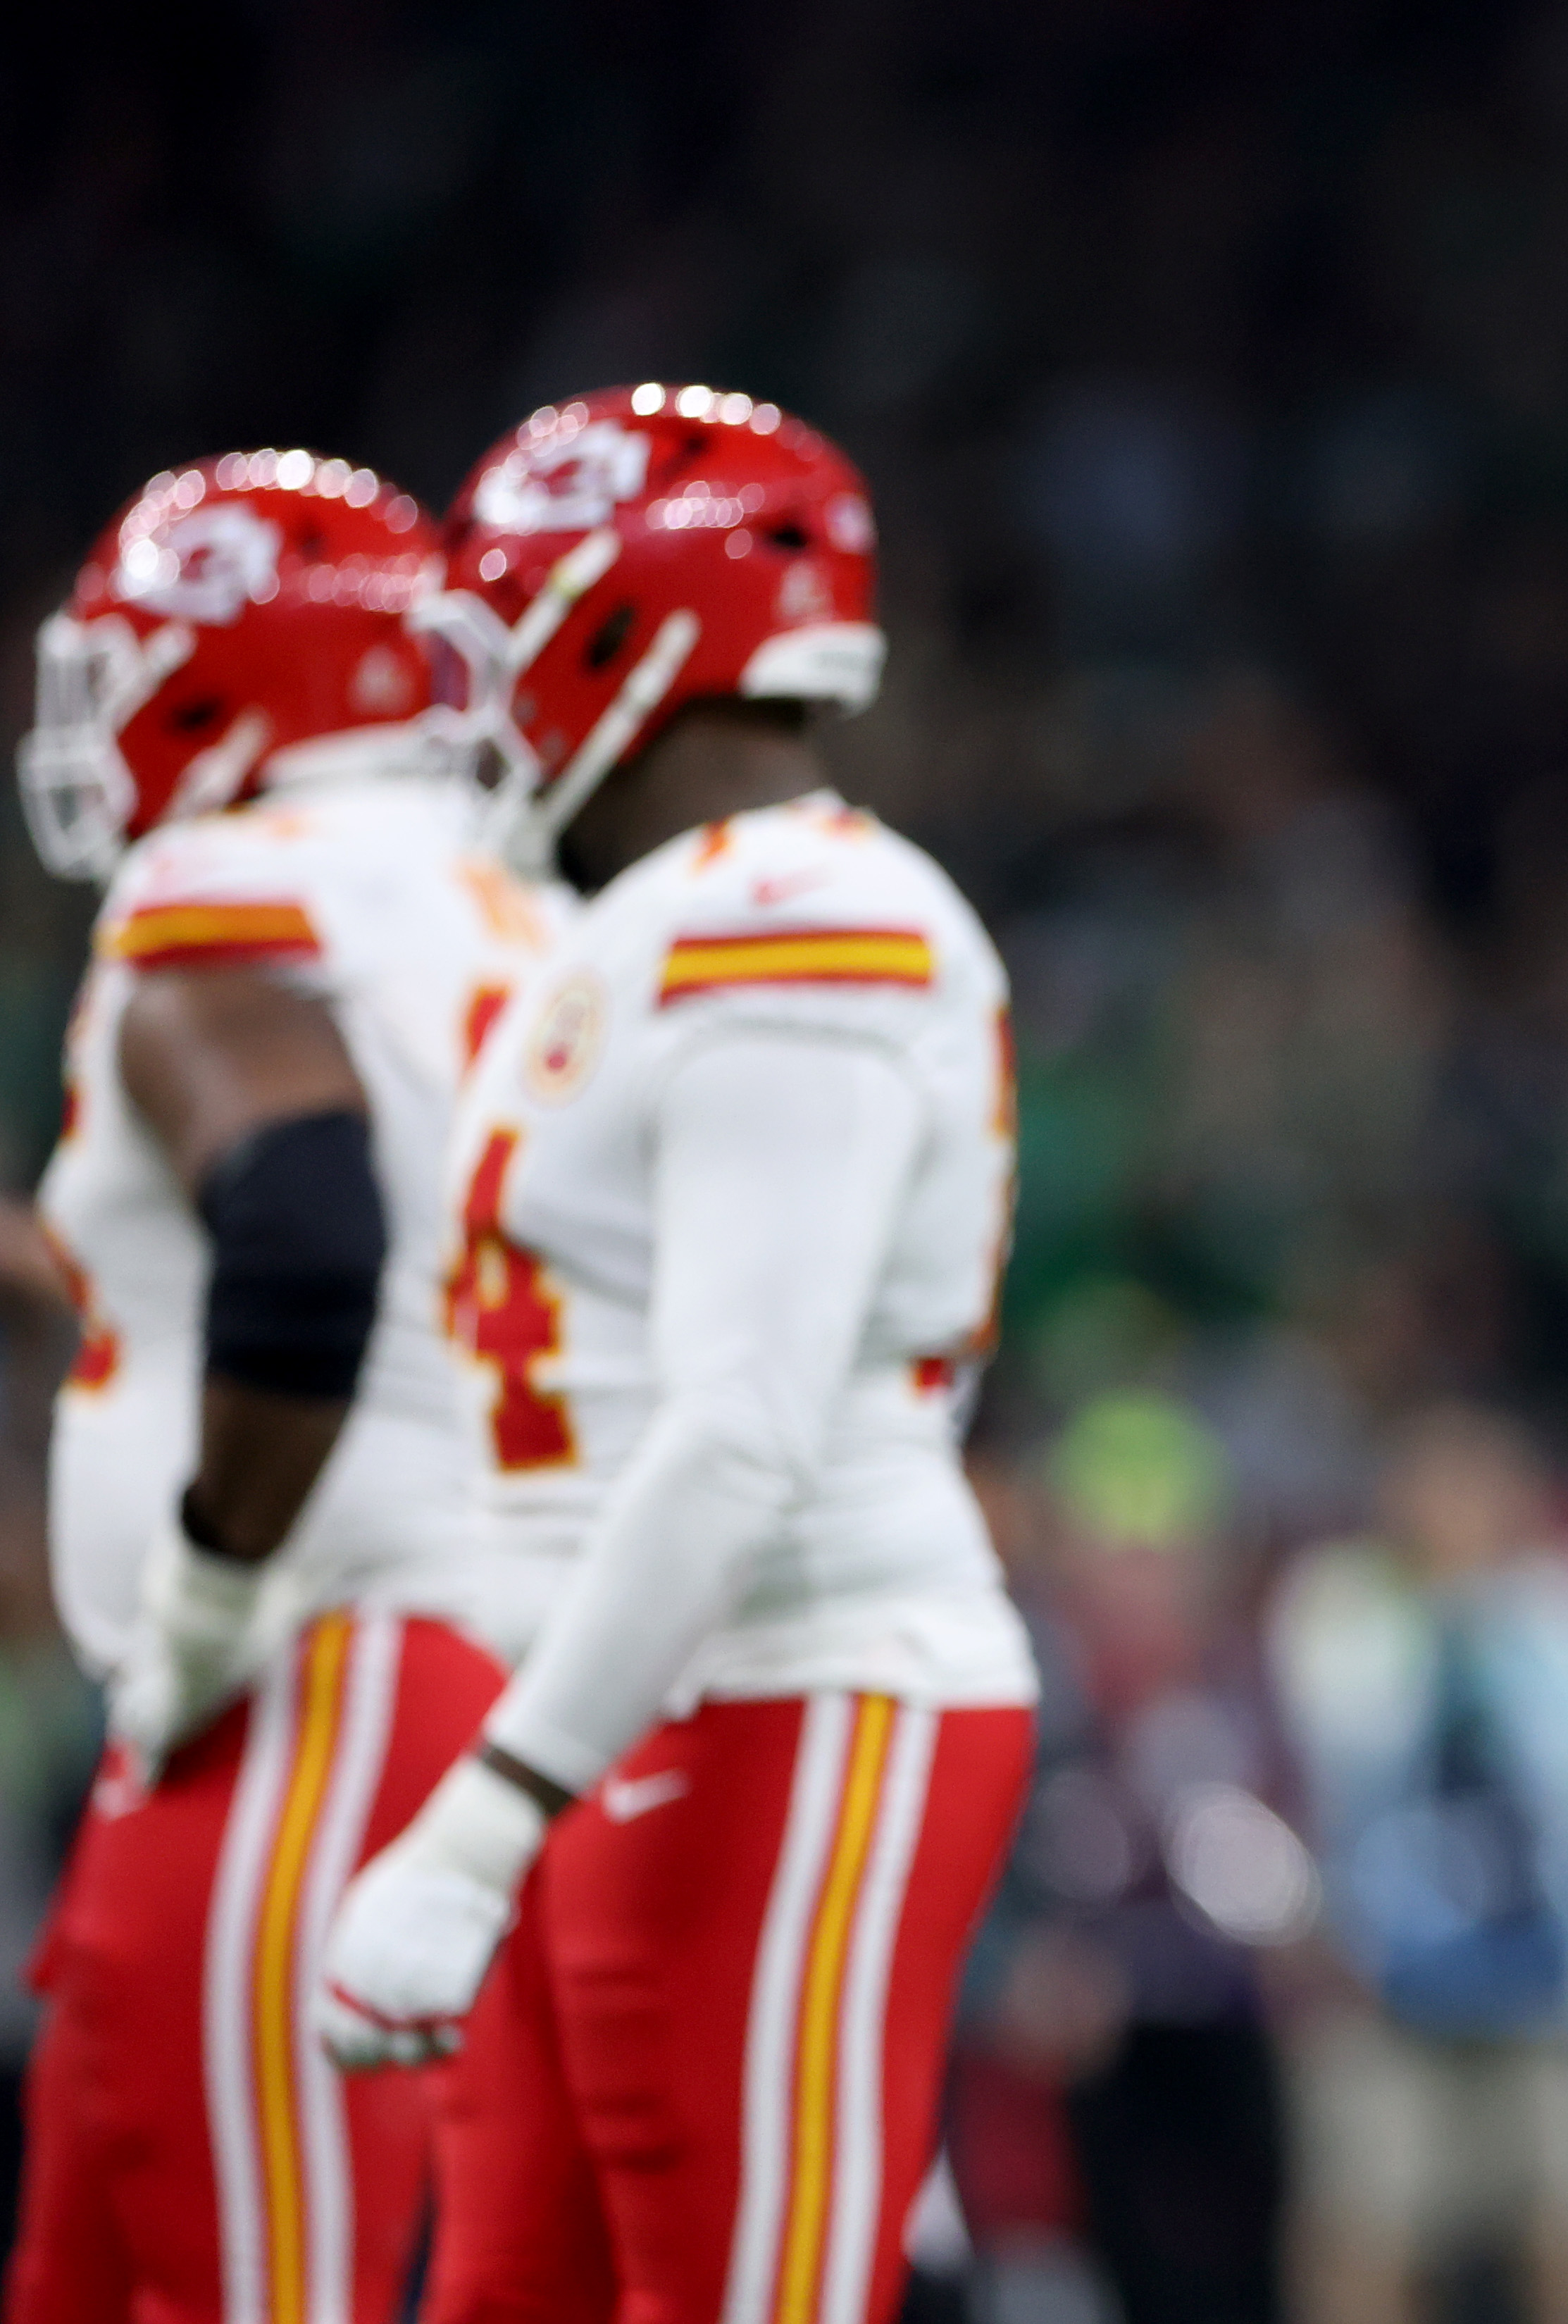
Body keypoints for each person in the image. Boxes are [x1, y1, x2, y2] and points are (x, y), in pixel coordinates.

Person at [306, 385, 1035, 2324]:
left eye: (510, 624)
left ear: (628, 634)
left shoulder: (803, 913)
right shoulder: (637, 920)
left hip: (790, 1686)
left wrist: (479, 1812)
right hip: (622, 1705)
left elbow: (738, 1430)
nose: (486, 691)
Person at [8, 450, 556, 2324]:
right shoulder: (501, 898)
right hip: (453, 1657)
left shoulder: (222, 884)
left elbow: (309, 1227)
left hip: (307, 1678)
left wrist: (213, 1580)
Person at [1266, 1405, 1568, 2324]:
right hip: (1380, 1973)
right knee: (1364, 2233)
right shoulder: (1339, 1605)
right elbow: (1338, 1762)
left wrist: (1497, 1631)